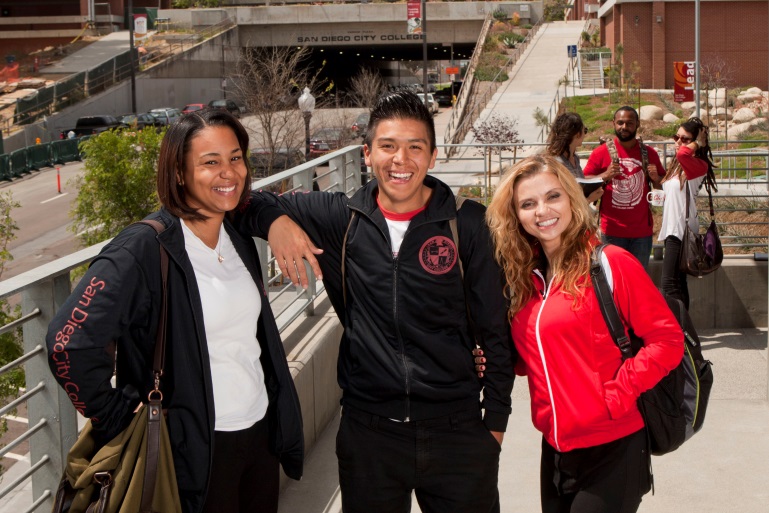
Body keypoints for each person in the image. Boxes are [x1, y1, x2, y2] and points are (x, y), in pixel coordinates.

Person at [236, 90, 515, 513]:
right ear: (367, 154)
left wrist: (493, 424)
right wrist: (276, 223)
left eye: (415, 147)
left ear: (433, 156)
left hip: (457, 431)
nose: (400, 159)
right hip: (370, 435)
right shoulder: (340, 219)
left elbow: (495, 332)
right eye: (388, 146)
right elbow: (245, 201)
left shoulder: (468, 224)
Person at [45, 108, 303, 513]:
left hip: (257, 436)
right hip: (191, 452)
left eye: (235, 157)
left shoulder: (234, 234)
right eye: (211, 162)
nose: (229, 173)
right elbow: (67, 343)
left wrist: (274, 220)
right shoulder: (143, 249)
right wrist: (114, 415)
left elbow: (256, 201)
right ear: (179, 173)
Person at [484, 155, 682, 513]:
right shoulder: (526, 282)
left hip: (614, 444)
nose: (542, 210)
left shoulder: (610, 263)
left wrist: (617, 394)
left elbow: (668, 341)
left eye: (553, 196)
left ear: (572, 199)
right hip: (556, 450)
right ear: (516, 216)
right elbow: (535, 358)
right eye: (528, 204)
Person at [583, 106, 665, 269]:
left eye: (629, 123)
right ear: (614, 123)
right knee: (612, 282)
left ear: (637, 124)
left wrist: (656, 178)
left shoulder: (649, 153)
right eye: (620, 123)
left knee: (637, 282)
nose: (624, 127)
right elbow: (585, 181)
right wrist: (605, 175)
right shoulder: (600, 153)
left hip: (641, 233)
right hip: (611, 231)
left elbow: (662, 184)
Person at [658, 118, 713, 309]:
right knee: (678, 284)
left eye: (685, 139)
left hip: (681, 231)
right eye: (676, 137)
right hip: (673, 229)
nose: (679, 143)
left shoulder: (697, 164)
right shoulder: (678, 167)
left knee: (668, 284)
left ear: (696, 142)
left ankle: (682, 332)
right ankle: (684, 334)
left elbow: (683, 154)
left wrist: (698, 142)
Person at [545, 112, 606, 204]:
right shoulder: (556, 163)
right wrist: (589, 199)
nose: (585, 135)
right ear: (577, 134)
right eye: (584, 130)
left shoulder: (575, 158)